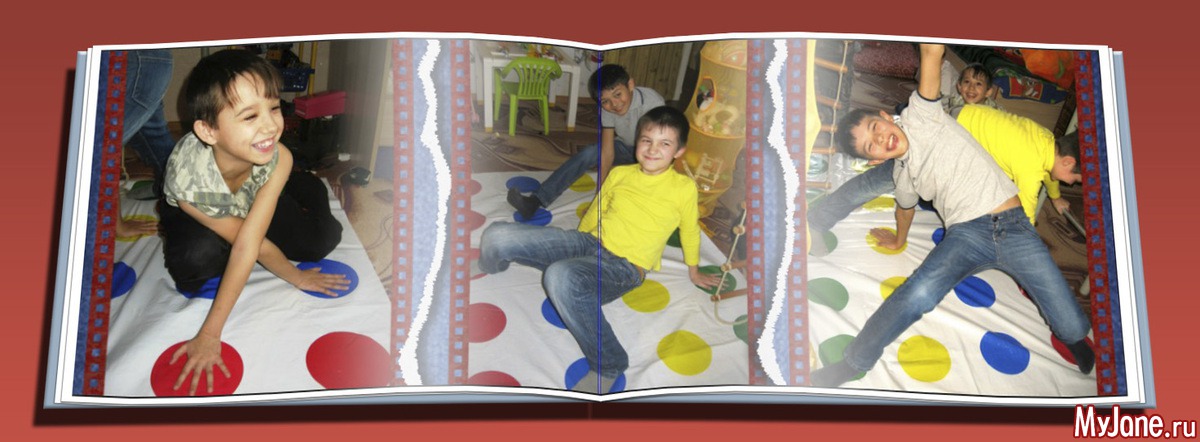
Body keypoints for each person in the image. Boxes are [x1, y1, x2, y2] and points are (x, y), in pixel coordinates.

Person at [809, 44, 1093, 388]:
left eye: (876, 128)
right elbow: (904, 208)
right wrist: (898, 240)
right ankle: (854, 361)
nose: (882, 139)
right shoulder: (902, 174)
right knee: (917, 294)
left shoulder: (920, 115)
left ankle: (1073, 339)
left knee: (1071, 322)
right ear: (874, 158)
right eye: (872, 145)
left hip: (1015, 227)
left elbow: (932, 54)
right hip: (966, 236)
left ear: (885, 116)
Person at [481, 106, 721, 393]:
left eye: (664, 143)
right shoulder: (620, 174)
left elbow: (690, 231)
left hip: (624, 267)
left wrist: (694, 271)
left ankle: (609, 363)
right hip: (588, 243)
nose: (652, 149)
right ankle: (492, 265)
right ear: (637, 141)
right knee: (497, 234)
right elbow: (597, 208)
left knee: (560, 276)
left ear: (679, 151)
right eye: (646, 140)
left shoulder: (683, 188)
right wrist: (576, 242)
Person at [157, 49, 348, 395]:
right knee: (194, 265)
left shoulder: (277, 155)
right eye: (249, 116)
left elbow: (250, 243)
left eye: (273, 108)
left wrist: (297, 276)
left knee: (319, 244)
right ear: (208, 131)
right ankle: (291, 187)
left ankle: (309, 185)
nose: (271, 126)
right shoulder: (188, 182)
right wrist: (210, 333)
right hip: (200, 204)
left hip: (254, 189)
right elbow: (247, 245)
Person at [808, 64, 1064, 256]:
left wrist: (1054, 197)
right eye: (966, 83)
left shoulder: (996, 115)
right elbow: (930, 85)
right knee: (869, 186)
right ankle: (816, 222)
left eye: (978, 85)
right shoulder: (949, 107)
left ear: (989, 92)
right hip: (913, 151)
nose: (971, 89)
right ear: (959, 86)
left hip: (951, 171)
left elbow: (1042, 163)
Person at [507, 64, 665, 219]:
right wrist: (598, 200)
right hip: (626, 148)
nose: (614, 104)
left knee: (640, 196)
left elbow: (660, 149)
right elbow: (607, 152)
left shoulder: (652, 103)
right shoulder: (606, 109)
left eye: (617, 94)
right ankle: (536, 200)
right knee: (590, 152)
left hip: (654, 153)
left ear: (630, 84)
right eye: (605, 101)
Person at [115, 49, 177, 239]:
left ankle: (193, 206)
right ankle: (174, 192)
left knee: (99, 150)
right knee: (155, 137)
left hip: (137, 61)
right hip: (152, 59)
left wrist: (117, 226)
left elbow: (101, 155)